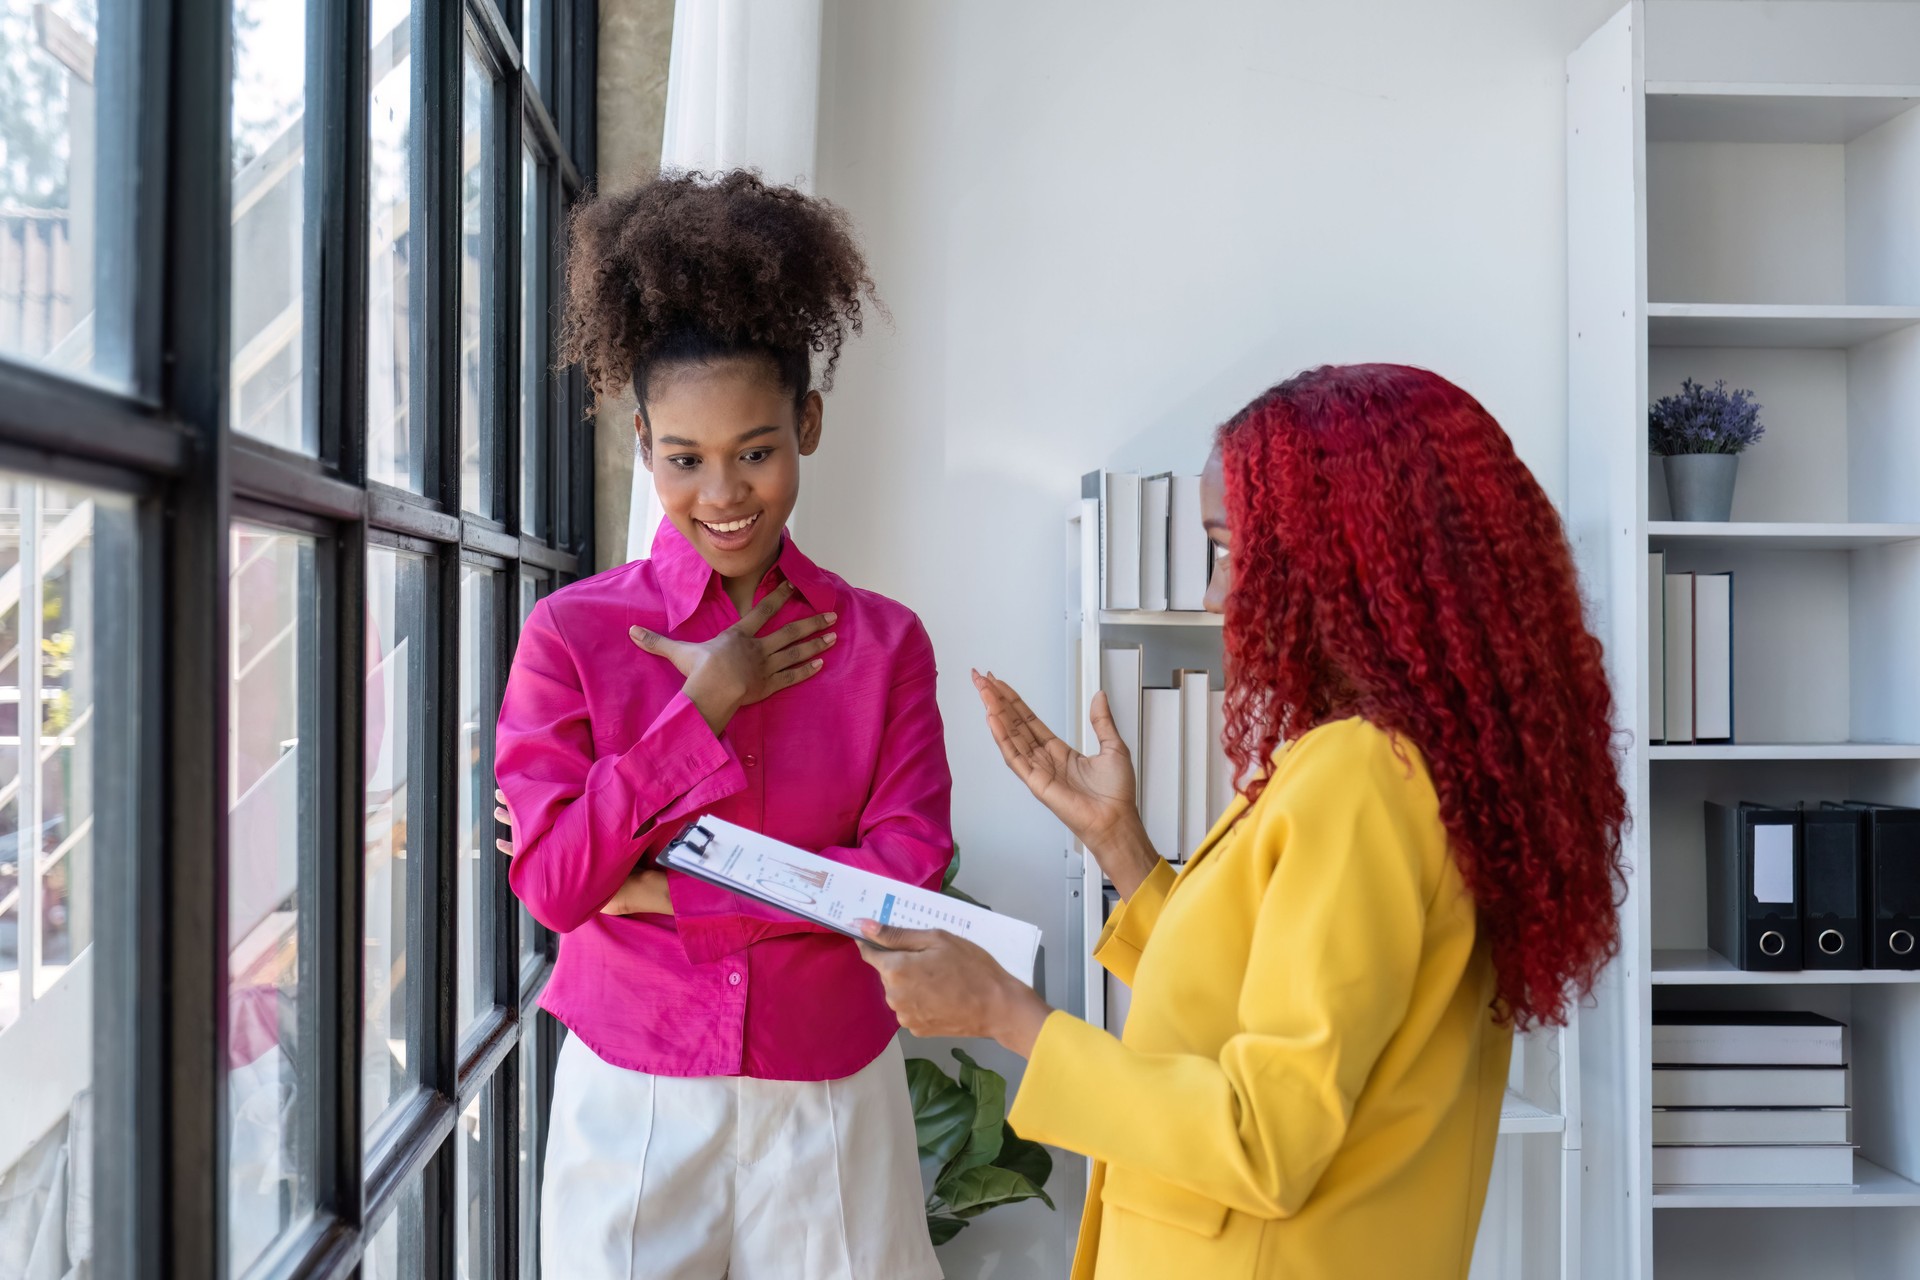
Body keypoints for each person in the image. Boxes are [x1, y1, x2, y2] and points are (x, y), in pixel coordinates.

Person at [858, 363, 1629, 1279]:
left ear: (1348, 558)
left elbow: (1263, 1137)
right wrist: (1122, 847)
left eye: (1233, 550)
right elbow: (1263, 998)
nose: (1221, 596)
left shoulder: (1360, 776)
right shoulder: (1424, 765)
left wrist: (1005, 1015)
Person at [495, 170, 949, 1280]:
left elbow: (899, 883)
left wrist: (654, 889)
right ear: (643, 441)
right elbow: (556, 884)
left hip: (831, 1088)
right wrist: (707, 702)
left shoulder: (884, 644)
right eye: (684, 458)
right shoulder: (570, 636)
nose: (723, 493)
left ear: (810, 422)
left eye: (756, 449)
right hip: (634, 1082)